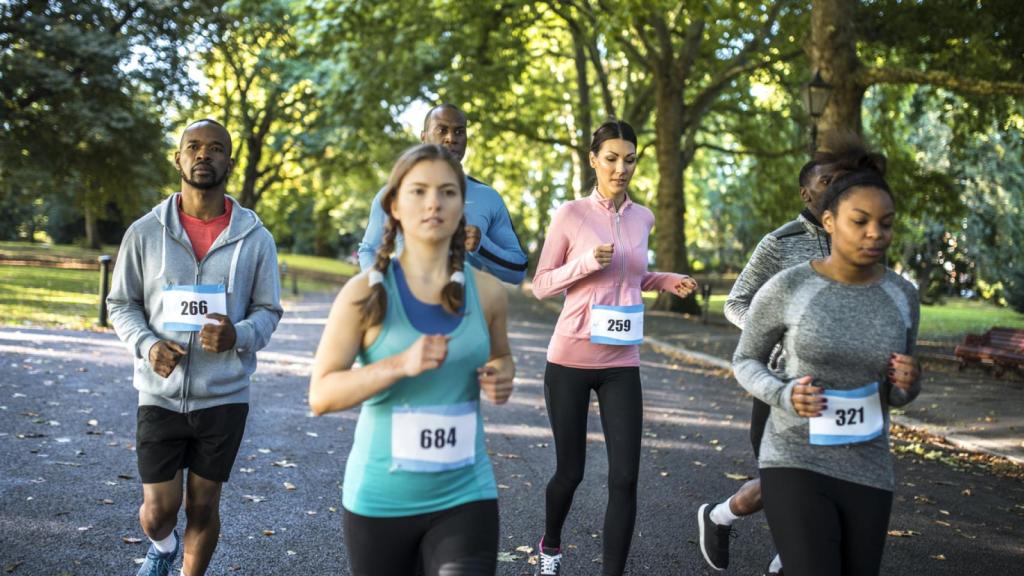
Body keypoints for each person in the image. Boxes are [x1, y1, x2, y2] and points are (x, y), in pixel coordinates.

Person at [309, 144, 515, 576]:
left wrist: (501, 374)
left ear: (462, 207)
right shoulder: (365, 292)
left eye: (447, 192)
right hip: (381, 500)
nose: (433, 203)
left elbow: (501, 356)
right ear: (394, 206)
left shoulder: (489, 292)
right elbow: (322, 394)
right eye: (418, 191)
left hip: (466, 494)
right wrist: (398, 364)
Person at [107, 119, 283, 576]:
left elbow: (268, 310)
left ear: (229, 160)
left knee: (203, 506)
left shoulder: (256, 238)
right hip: (160, 394)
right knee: (159, 512)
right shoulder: (145, 232)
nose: (204, 155)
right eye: (194, 147)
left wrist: (238, 335)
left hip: (224, 395)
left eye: (215, 148)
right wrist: (147, 346)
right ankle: (163, 547)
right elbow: (121, 303)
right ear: (179, 158)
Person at [699, 139, 883, 575]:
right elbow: (736, 302)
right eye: (827, 180)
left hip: (844, 385)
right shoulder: (779, 244)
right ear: (807, 193)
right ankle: (729, 520)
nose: (837, 186)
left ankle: (746, 530)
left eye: (842, 180)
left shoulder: (856, 238)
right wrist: (775, 335)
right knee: (792, 481)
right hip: (784, 382)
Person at [732, 169, 921, 576]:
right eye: (860, 222)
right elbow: (744, 358)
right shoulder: (787, 282)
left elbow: (895, 393)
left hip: (868, 465)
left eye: (885, 224)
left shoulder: (903, 296)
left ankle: (721, 516)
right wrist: (782, 391)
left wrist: (908, 384)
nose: (875, 233)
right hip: (795, 456)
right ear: (830, 220)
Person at [531, 120, 698, 576]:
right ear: (593, 160)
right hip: (570, 359)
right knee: (571, 473)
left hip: (622, 360)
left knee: (625, 477)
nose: (621, 168)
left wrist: (667, 281)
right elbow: (541, 285)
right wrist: (584, 263)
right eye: (611, 158)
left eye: (629, 159)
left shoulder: (642, 216)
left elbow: (633, 276)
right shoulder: (571, 214)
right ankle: (551, 546)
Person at [357, 103, 529, 284]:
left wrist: (482, 246)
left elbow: (518, 271)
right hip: (406, 307)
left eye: (459, 132)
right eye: (442, 130)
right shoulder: (394, 194)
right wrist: (381, 288)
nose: (451, 138)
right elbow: (369, 250)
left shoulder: (488, 198)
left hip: (464, 308)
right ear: (423, 137)